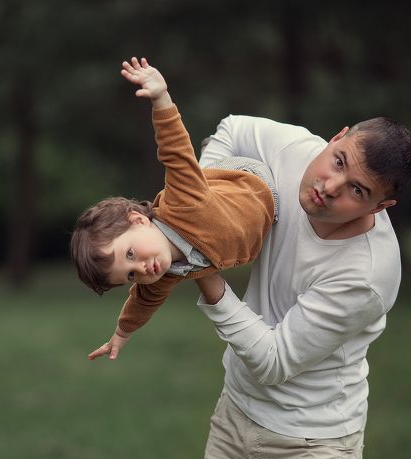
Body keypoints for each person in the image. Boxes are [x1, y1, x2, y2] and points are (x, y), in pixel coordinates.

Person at [192, 110, 411, 459]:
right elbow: (231, 127)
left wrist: (203, 271)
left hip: (311, 445)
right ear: (336, 137)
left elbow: (274, 361)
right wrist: (202, 213)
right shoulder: (294, 149)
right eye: (339, 161)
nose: (329, 187)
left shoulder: (367, 275)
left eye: (357, 189)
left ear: (381, 205)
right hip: (235, 414)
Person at [70, 57, 278, 361]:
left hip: (259, 184)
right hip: (259, 229)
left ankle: (214, 152)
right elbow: (140, 303)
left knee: (198, 171)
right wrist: (121, 334)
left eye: (130, 254)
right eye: (128, 275)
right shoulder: (162, 274)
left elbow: (175, 152)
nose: (140, 269)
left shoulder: (181, 203)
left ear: (138, 219)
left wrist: (160, 98)